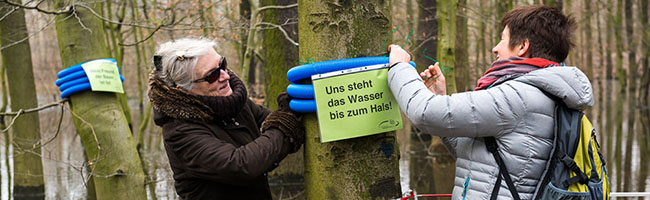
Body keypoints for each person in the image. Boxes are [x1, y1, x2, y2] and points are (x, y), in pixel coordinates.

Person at [387, 5, 590, 199]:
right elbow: (476, 156)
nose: (495, 48)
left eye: (502, 39)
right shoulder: (545, 94)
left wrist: (399, 67)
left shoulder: (518, 96)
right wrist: (440, 96)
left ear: (522, 46)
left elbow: (425, 112)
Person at [148, 37, 304, 199]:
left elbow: (272, 128)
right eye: (212, 75)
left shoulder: (231, 102)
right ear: (184, 90)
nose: (225, 76)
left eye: (222, 65)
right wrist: (287, 117)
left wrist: (295, 106)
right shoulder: (179, 132)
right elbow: (243, 166)